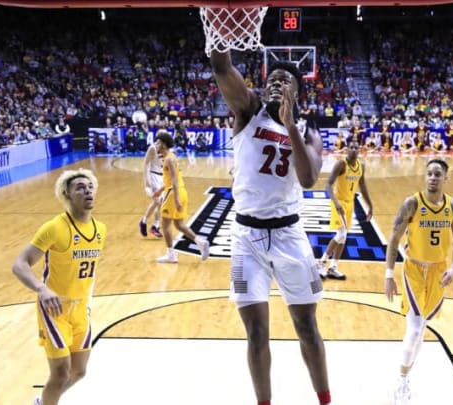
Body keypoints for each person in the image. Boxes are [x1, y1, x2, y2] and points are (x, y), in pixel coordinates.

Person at [211, 48, 332, 405]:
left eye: (286, 81)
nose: (277, 83)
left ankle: (324, 399)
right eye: (272, 80)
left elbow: (308, 179)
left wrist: (290, 124)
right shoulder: (248, 111)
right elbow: (221, 65)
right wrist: (220, 31)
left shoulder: (309, 133)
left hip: (290, 236)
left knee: (307, 327)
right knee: (256, 333)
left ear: (297, 94)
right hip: (246, 238)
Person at [12, 168, 107, 405]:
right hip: (55, 309)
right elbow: (20, 264)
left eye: (90, 187)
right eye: (80, 188)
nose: (87, 191)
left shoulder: (101, 229)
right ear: (67, 194)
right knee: (61, 372)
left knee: (79, 372)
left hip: (81, 308)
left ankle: (43, 402)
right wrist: (41, 289)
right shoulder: (54, 227)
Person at [383, 159, 453, 405]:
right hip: (414, 270)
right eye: (429, 173)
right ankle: (401, 380)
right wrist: (389, 275)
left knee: (422, 329)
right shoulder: (411, 203)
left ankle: (407, 376)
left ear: (446, 178)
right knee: (417, 326)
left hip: (439, 272)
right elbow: (393, 239)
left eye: (437, 174)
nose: (432, 177)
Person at [318, 139, 373, 280]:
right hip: (339, 202)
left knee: (343, 237)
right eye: (351, 147)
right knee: (341, 234)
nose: (354, 149)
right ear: (347, 149)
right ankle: (322, 262)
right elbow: (328, 185)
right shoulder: (341, 164)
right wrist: (336, 202)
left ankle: (333, 267)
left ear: (359, 150)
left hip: (350, 203)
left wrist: (370, 205)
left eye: (356, 147)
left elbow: (363, 186)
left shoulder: (362, 166)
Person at [152, 131, 209, 263]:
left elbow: (174, 181)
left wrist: (176, 198)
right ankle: (200, 243)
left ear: (165, 144)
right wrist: (160, 190)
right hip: (177, 191)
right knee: (179, 225)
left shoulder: (169, 159)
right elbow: (171, 179)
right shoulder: (170, 157)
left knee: (165, 225)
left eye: (159, 142)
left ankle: (171, 255)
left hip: (173, 193)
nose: (156, 144)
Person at [139, 131, 165, 238]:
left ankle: (155, 225)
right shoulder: (152, 148)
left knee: (161, 202)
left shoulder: (166, 149)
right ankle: (145, 221)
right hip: (153, 176)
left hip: (162, 177)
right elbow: (145, 163)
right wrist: (146, 180)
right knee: (157, 201)